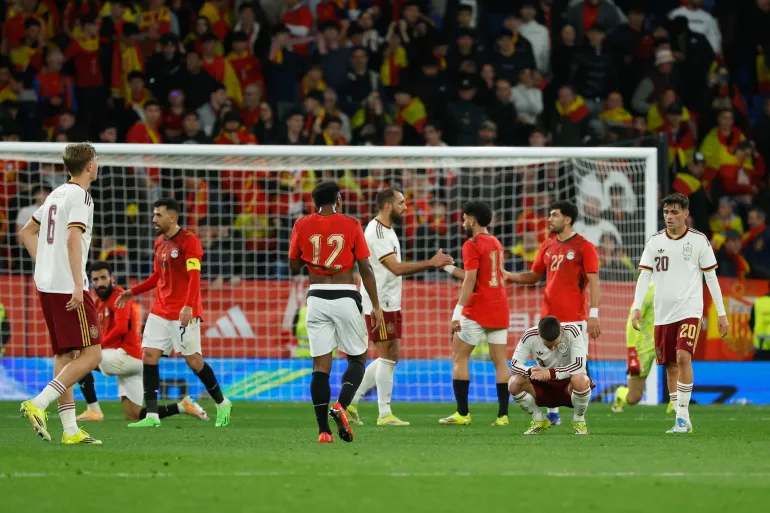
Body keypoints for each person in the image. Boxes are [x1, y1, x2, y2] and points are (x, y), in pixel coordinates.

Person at [116, 198, 233, 428]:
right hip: (160, 310)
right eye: (154, 214)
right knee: (149, 355)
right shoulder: (159, 242)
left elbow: (194, 277)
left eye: (158, 215)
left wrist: (188, 306)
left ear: (172, 217)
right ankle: (152, 416)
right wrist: (132, 291)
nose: (154, 219)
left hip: (182, 312)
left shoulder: (189, 241)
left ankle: (222, 403)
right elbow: (157, 276)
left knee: (194, 361)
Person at [18, 143, 103, 444]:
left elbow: (26, 232)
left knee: (65, 354)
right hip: (68, 285)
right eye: (96, 160)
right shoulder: (81, 195)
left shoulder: (55, 194)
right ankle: (38, 403)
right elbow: (72, 239)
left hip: (46, 283)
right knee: (92, 354)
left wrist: (44, 262)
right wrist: (79, 284)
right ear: (89, 166)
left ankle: (70, 430)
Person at [347, 188, 453, 426]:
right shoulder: (376, 231)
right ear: (388, 206)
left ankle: (350, 402)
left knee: (392, 356)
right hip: (379, 303)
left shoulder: (388, 229)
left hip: (390, 301)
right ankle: (384, 414)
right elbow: (395, 268)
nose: (406, 207)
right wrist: (431, 263)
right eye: (401, 203)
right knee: (387, 356)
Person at [288, 182, 383, 443]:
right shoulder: (352, 224)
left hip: (316, 297)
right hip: (345, 295)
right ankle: (341, 405)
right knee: (358, 358)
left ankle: (323, 431)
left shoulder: (302, 224)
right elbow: (365, 268)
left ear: (314, 202)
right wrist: (376, 305)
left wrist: (311, 258)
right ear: (338, 200)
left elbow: (293, 265)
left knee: (320, 366)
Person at [632, 193, 728, 434]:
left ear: (686, 214)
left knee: (683, 357)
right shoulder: (654, 241)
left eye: (674, 212)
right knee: (670, 365)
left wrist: (722, 313)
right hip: (662, 314)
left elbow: (711, 278)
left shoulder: (698, 240)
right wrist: (636, 306)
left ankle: (683, 418)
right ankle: (679, 418)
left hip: (689, 310)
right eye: (666, 212)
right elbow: (644, 275)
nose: (669, 216)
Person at [506, 200, 600, 426]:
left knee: (577, 367)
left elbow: (594, 281)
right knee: (546, 363)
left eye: (554, 215)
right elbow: (534, 276)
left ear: (567, 219)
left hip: (575, 319)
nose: (549, 219)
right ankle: (553, 414)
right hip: (548, 318)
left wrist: (594, 314)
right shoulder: (547, 245)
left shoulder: (584, 246)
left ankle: (579, 415)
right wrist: (509, 276)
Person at [76, 261, 208, 422]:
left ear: (112, 278)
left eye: (104, 278)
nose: (100, 283)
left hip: (127, 356)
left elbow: (121, 328)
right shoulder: (98, 303)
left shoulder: (118, 296)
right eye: (96, 280)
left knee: (80, 359)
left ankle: (93, 410)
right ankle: (183, 406)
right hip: (128, 362)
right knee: (133, 414)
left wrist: (97, 347)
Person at [439, 201, 511, 426]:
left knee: (459, 357)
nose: (462, 224)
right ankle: (503, 416)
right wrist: (448, 268)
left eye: (464, 219)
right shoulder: (496, 243)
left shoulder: (472, 244)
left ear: (472, 220)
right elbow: (480, 276)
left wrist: (457, 312)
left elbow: (471, 280)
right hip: (499, 307)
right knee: (501, 362)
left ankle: (462, 413)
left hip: (477, 308)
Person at [509, 316, 592, 435]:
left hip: (568, 385)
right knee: (513, 383)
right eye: (548, 346)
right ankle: (539, 419)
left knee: (581, 380)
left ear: (561, 332)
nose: (552, 348)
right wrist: (530, 371)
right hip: (544, 386)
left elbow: (579, 365)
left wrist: (550, 373)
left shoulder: (572, 331)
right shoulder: (530, 335)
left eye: (555, 344)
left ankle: (579, 420)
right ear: (539, 335)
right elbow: (514, 365)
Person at [612, 282, 675, 414]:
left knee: (676, 366)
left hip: (665, 342)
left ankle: (677, 408)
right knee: (634, 397)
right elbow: (631, 322)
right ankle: (620, 393)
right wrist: (632, 353)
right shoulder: (648, 291)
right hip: (644, 346)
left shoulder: (677, 288)